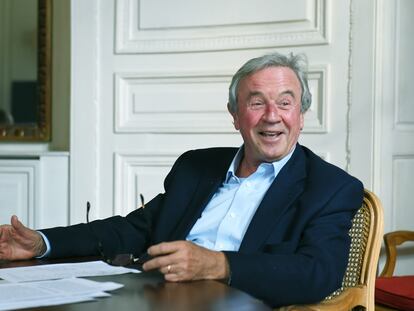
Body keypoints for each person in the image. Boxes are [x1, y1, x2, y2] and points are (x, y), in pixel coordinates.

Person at [0, 52, 363, 308]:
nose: (272, 117)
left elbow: (319, 272)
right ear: (235, 115)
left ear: (301, 116)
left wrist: (219, 264)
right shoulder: (196, 167)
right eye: (256, 103)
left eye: (285, 103)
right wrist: (43, 242)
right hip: (155, 298)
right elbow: (132, 229)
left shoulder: (330, 188)